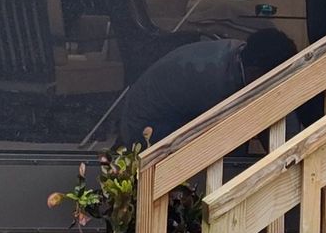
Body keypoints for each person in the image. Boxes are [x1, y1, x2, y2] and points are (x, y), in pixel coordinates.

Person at [110, 28, 297, 151]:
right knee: (229, 145)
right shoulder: (215, 81)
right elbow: (236, 133)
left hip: (155, 115)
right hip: (146, 129)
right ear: (256, 73)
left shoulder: (239, 54)